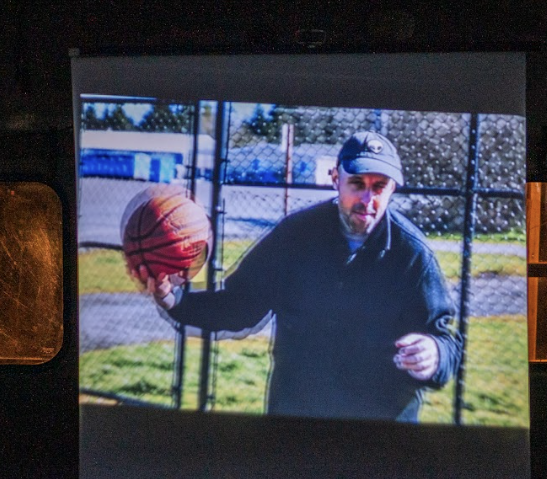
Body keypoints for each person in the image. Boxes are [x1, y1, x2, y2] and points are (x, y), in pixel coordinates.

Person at [136, 131, 462, 421]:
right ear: (335, 178)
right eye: (357, 184)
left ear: (392, 189)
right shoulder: (295, 236)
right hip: (298, 417)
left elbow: (448, 343)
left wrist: (434, 353)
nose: (367, 200)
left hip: (379, 431)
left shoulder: (412, 254)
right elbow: (239, 305)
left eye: (379, 187)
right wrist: (175, 299)